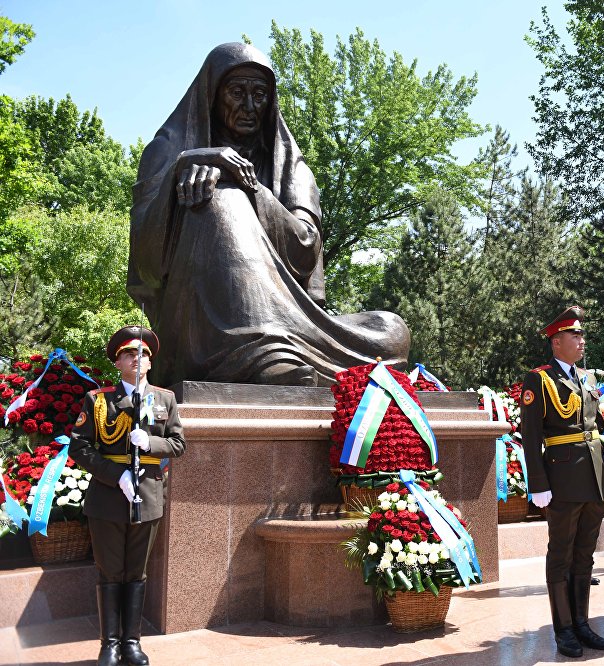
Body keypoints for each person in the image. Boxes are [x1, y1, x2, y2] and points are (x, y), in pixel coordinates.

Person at [129, 42, 409, 388]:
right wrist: (183, 171)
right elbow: (146, 268)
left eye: (260, 95)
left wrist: (247, 184)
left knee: (391, 331)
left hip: (291, 315)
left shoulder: (290, 165)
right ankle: (260, 355)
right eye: (236, 92)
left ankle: (278, 348)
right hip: (195, 330)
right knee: (218, 196)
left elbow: (305, 248)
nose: (249, 106)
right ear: (211, 96)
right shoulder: (170, 152)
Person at [69, 326, 185, 666]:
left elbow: (179, 444)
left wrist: (150, 443)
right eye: (129, 354)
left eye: (143, 354)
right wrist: (116, 474)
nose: (137, 358)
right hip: (107, 496)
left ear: (150, 362)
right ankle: (110, 644)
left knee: (136, 572)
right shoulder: (99, 400)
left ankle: (132, 643)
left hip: (147, 496)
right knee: (109, 571)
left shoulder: (164, 399)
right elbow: (79, 446)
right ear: (117, 362)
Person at [521, 306, 604, 658]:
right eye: (574, 335)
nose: (581, 340)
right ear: (556, 342)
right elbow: (530, 435)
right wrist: (538, 483)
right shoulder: (539, 379)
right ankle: (564, 629)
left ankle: (583, 624)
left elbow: (600, 428)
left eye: (581, 335)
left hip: (592, 477)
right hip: (560, 478)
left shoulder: (588, 379)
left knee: (585, 553)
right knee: (561, 553)